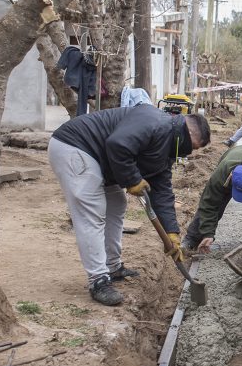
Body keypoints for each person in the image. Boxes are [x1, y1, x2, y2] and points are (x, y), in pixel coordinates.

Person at [48, 105, 211, 306]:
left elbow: (162, 192)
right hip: (76, 148)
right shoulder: (155, 121)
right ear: (189, 132)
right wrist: (133, 179)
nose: (189, 152)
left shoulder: (166, 147)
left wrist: (172, 232)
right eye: (193, 147)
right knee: (92, 213)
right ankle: (98, 280)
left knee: (117, 204)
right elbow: (118, 144)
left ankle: (112, 266)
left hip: (101, 160)